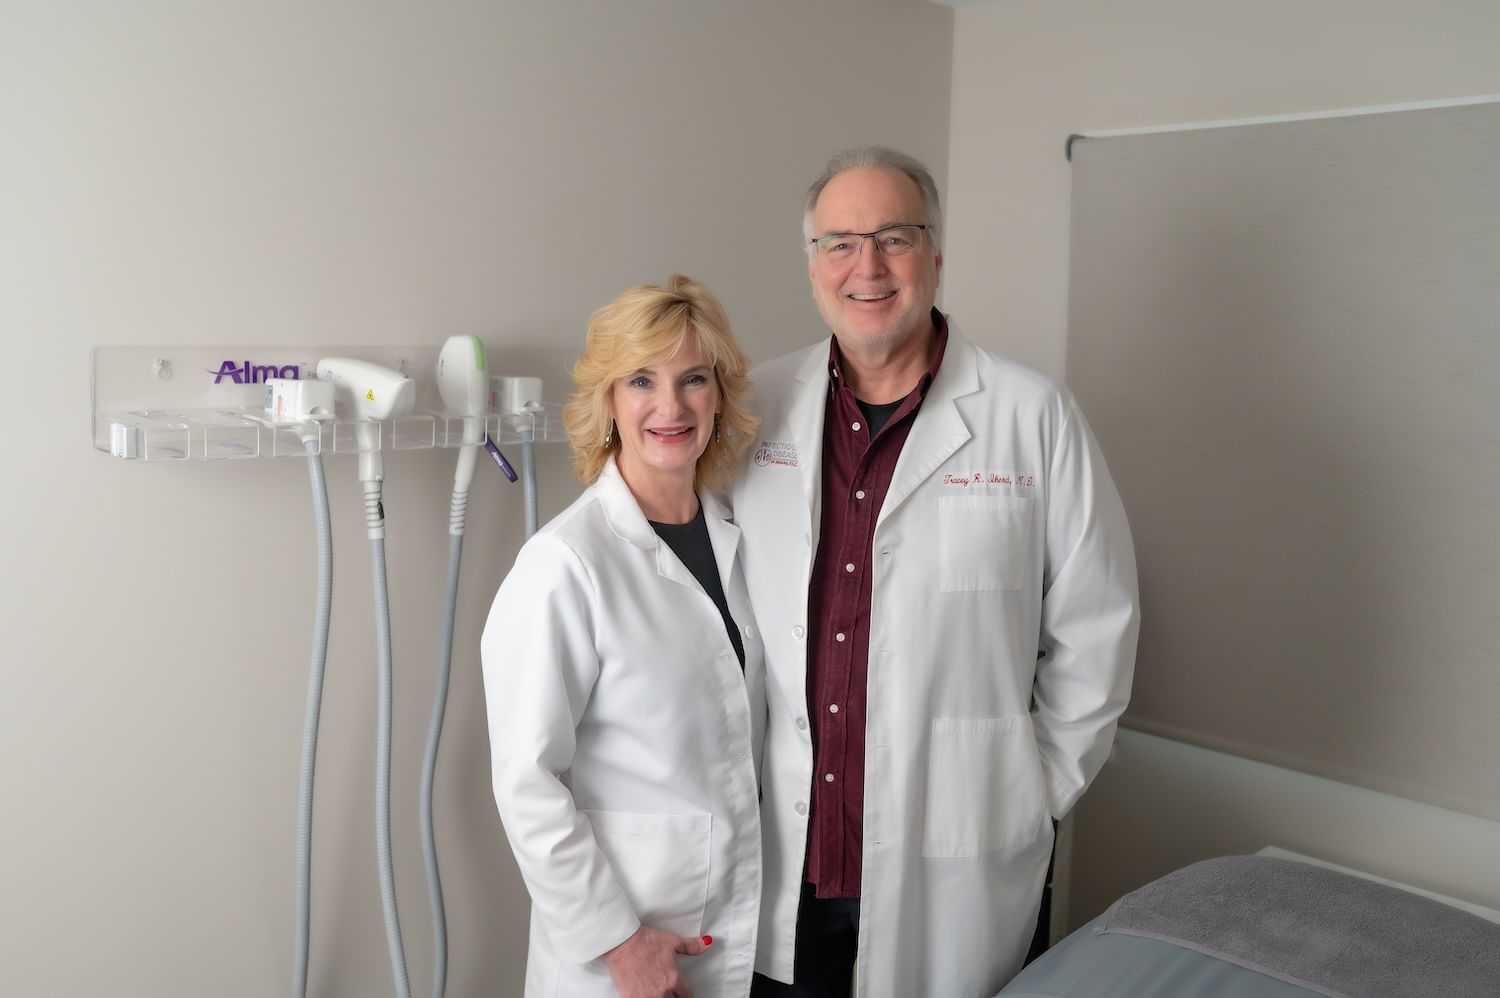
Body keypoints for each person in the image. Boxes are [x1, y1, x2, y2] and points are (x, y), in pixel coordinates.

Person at [734, 147, 1140, 997]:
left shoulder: (1031, 416)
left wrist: (1030, 795)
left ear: (937, 255)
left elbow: (1097, 633)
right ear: (811, 263)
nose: (867, 266)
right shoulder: (756, 408)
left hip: (955, 850)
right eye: (839, 242)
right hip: (785, 856)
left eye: (894, 237)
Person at [482, 275, 765, 998]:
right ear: (608, 400)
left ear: (719, 395)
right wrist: (618, 941)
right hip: (622, 951)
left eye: (693, 379)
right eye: (642, 380)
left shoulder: (740, 534)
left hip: (733, 927)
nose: (670, 407)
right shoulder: (565, 564)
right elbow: (526, 781)